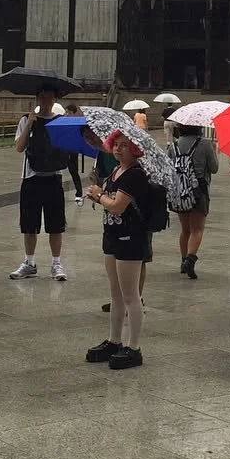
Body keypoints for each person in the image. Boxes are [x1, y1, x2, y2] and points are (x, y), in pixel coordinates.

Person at [85, 131, 150, 370]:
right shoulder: (116, 171)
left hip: (130, 237)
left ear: (135, 150)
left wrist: (100, 195)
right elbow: (109, 200)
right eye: (117, 145)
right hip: (112, 236)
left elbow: (118, 206)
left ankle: (133, 347)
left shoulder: (135, 174)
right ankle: (114, 340)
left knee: (131, 295)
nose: (119, 149)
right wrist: (98, 190)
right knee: (115, 294)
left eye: (125, 146)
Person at [10, 86, 68, 280]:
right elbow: (19, 147)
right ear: (37, 99)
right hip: (31, 178)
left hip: (53, 177)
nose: (45, 101)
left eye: (49, 97)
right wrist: (29, 124)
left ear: (55, 99)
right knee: (29, 223)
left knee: (56, 224)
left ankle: (56, 263)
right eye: (42, 97)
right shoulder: (26, 120)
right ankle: (29, 261)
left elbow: (65, 149)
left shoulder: (59, 122)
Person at [169, 124, 217, 279]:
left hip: (180, 192)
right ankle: (190, 259)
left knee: (185, 229)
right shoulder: (204, 143)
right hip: (199, 192)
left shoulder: (174, 144)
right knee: (197, 229)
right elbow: (214, 168)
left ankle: (183, 261)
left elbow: (168, 166)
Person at [62, 103, 84, 207]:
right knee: (58, 171)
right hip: (63, 149)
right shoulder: (62, 122)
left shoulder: (77, 123)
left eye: (69, 112)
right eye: (66, 111)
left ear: (73, 113)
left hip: (73, 150)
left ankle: (79, 193)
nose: (67, 114)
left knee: (74, 171)